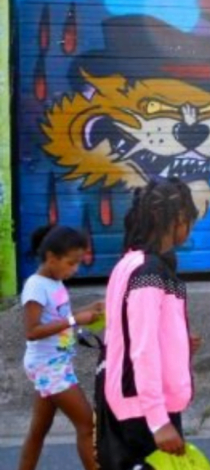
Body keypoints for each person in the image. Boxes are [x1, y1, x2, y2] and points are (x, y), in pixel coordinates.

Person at [95, 179, 200, 470]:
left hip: (134, 399)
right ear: (178, 218)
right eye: (189, 220)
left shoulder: (131, 263)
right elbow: (142, 348)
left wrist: (180, 345)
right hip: (143, 410)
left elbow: (127, 332)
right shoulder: (148, 272)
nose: (190, 228)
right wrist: (158, 421)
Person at [17, 225, 103, 470]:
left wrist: (88, 311)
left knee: (38, 430)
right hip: (48, 365)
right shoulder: (36, 285)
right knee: (87, 424)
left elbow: (58, 318)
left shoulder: (55, 282)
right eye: (71, 263)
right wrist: (75, 320)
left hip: (56, 363)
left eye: (78, 263)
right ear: (51, 257)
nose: (75, 269)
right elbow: (32, 331)